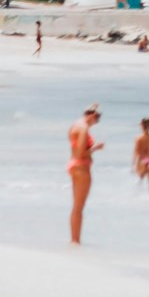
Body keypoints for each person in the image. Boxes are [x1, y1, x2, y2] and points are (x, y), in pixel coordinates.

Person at [67, 105, 99, 244]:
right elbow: (81, 152)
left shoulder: (75, 125)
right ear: (91, 116)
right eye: (97, 118)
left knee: (76, 206)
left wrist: (91, 108)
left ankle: (75, 239)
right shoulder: (84, 128)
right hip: (82, 167)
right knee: (79, 207)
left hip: (74, 165)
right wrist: (96, 148)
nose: (97, 121)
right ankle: (75, 241)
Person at [132, 118, 149, 191]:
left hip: (141, 160)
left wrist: (133, 165)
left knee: (138, 183)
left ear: (142, 126)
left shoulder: (138, 138)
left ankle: (138, 200)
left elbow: (136, 152)